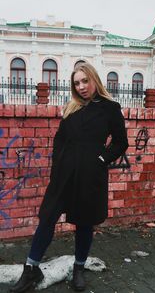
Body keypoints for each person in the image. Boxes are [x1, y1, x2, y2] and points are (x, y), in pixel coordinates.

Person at [10, 62, 129, 292]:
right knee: (47, 218)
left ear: (94, 79)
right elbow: (60, 139)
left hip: (89, 176)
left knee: (84, 223)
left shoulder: (110, 108)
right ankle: (31, 269)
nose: (81, 86)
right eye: (77, 83)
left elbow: (120, 142)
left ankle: (78, 268)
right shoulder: (72, 107)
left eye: (85, 81)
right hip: (63, 175)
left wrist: (102, 159)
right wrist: (58, 163)